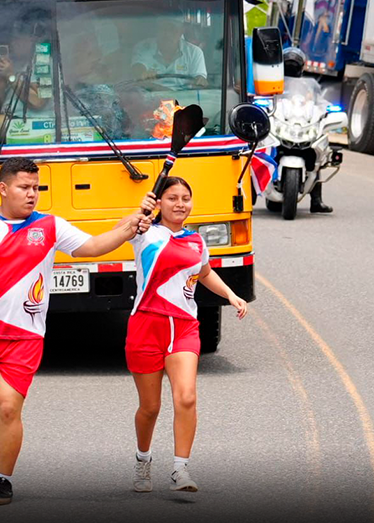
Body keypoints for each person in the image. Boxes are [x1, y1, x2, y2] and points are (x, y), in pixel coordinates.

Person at [0, 157, 151, 506]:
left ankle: (4, 479)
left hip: (23, 337)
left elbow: (92, 246)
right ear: (3, 188)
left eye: (36, 188)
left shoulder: (50, 226)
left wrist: (130, 226)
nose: (32, 195)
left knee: (7, 407)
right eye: (24, 188)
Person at [127, 177, 248, 493]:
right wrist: (141, 213)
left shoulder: (196, 241)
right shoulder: (145, 234)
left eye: (185, 198)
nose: (180, 204)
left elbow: (205, 273)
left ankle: (180, 469)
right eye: (172, 198)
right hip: (146, 327)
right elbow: (128, 226)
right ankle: (143, 460)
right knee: (150, 407)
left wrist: (231, 295)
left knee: (187, 396)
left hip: (183, 328)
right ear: (160, 203)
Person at [282, 46, 333, 213]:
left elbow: (320, 103)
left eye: (294, 64)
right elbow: (263, 99)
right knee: (256, 150)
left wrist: (330, 111)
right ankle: (250, 193)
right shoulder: (274, 83)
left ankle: (316, 201)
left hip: (302, 125)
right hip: (281, 125)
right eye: (289, 64)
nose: (291, 67)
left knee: (317, 156)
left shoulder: (309, 85)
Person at [130, 18, 208, 90]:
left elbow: (199, 80)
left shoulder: (194, 52)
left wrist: (200, 81)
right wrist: (143, 74)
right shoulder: (144, 47)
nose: (167, 34)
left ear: (181, 31)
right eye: (163, 28)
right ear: (157, 30)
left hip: (184, 101)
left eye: (172, 29)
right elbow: (138, 69)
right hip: (150, 98)